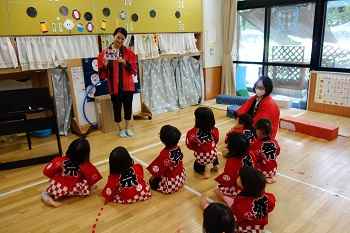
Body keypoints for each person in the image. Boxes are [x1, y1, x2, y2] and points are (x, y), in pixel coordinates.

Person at [97, 27, 137, 138]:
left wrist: (124, 62)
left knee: (128, 108)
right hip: (114, 87)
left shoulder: (129, 53)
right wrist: (104, 65)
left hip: (128, 86)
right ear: (114, 36)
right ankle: (120, 129)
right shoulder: (104, 54)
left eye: (122, 39)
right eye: (118, 37)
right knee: (117, 108)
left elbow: (134, 70)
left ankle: (128, 128)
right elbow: (102, 75)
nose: (120, 40)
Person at [41, 137, 102, 207]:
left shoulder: (60, 160)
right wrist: (90, 187)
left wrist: (53, 179)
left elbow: (47, 172)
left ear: (70, 149)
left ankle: (50, 200)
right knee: (89, 185)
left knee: (44, 193)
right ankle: (82, 193)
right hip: (76, 189)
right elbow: (92, 179)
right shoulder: (87, 165)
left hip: (60, 188)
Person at [147, 125, 185, 194]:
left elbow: (157, 171)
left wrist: (153, 178)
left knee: (152, 182)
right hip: (181, 178)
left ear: (162, 140)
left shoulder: (164, 154)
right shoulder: (177, 148)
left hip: (171, 185)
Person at [215, 132, 255, 197]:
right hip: (251, 183)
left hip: (240, 187)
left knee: (217, 189)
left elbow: (229, 177)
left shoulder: (233, 161)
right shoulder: (251, 154)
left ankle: (229, 197)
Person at [186, 107, 219, 179]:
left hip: (202, 158)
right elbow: (216, 140)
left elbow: (190, 146)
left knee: (197, 165)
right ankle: (215, 164)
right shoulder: (214, 129)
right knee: (213, 152)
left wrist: (199, 147)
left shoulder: (192, 133)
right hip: (213, 154)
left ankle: (206, 169)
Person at [251, 119, 280, 183]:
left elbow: (253, 157)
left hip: (262, 171)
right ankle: (269, 176)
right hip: (273, 170)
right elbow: (277, 152)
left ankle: (263, 177)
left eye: (256, 129)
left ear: (260, 131)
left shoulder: (256, 144)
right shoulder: (274, 141)